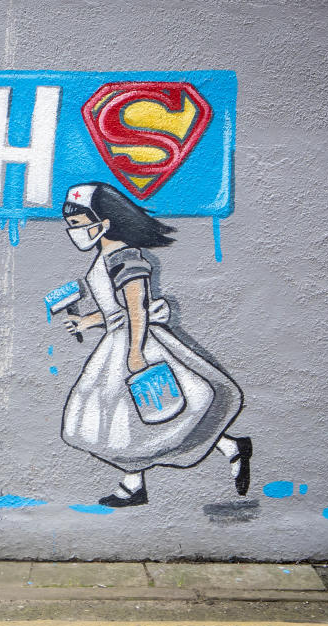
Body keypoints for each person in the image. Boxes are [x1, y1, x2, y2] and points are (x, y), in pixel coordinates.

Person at [59, 182, 249, 507]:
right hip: (119, 342)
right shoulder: (105, 255)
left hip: (136, 345)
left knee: (148, 416)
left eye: (77, 224)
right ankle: (229, 448)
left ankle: (136, 484)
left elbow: (136, 309)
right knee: (128, 421)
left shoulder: (125, 256)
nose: (72, 231)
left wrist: (135, 352)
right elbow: (114, 311)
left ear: (103, 222)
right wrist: (85, 321)